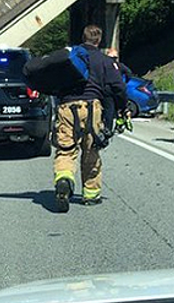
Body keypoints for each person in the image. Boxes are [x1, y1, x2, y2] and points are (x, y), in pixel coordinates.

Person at [53, 25, 127, 212]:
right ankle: (91, 194)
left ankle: (64, 179)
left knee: (66, 148)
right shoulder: (104, 60)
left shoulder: (69, 58)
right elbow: (118, 87)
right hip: (91, 107)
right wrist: (122, 108)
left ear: (82, 38)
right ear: (99, 40)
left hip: (67, 107)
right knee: (91, 149)